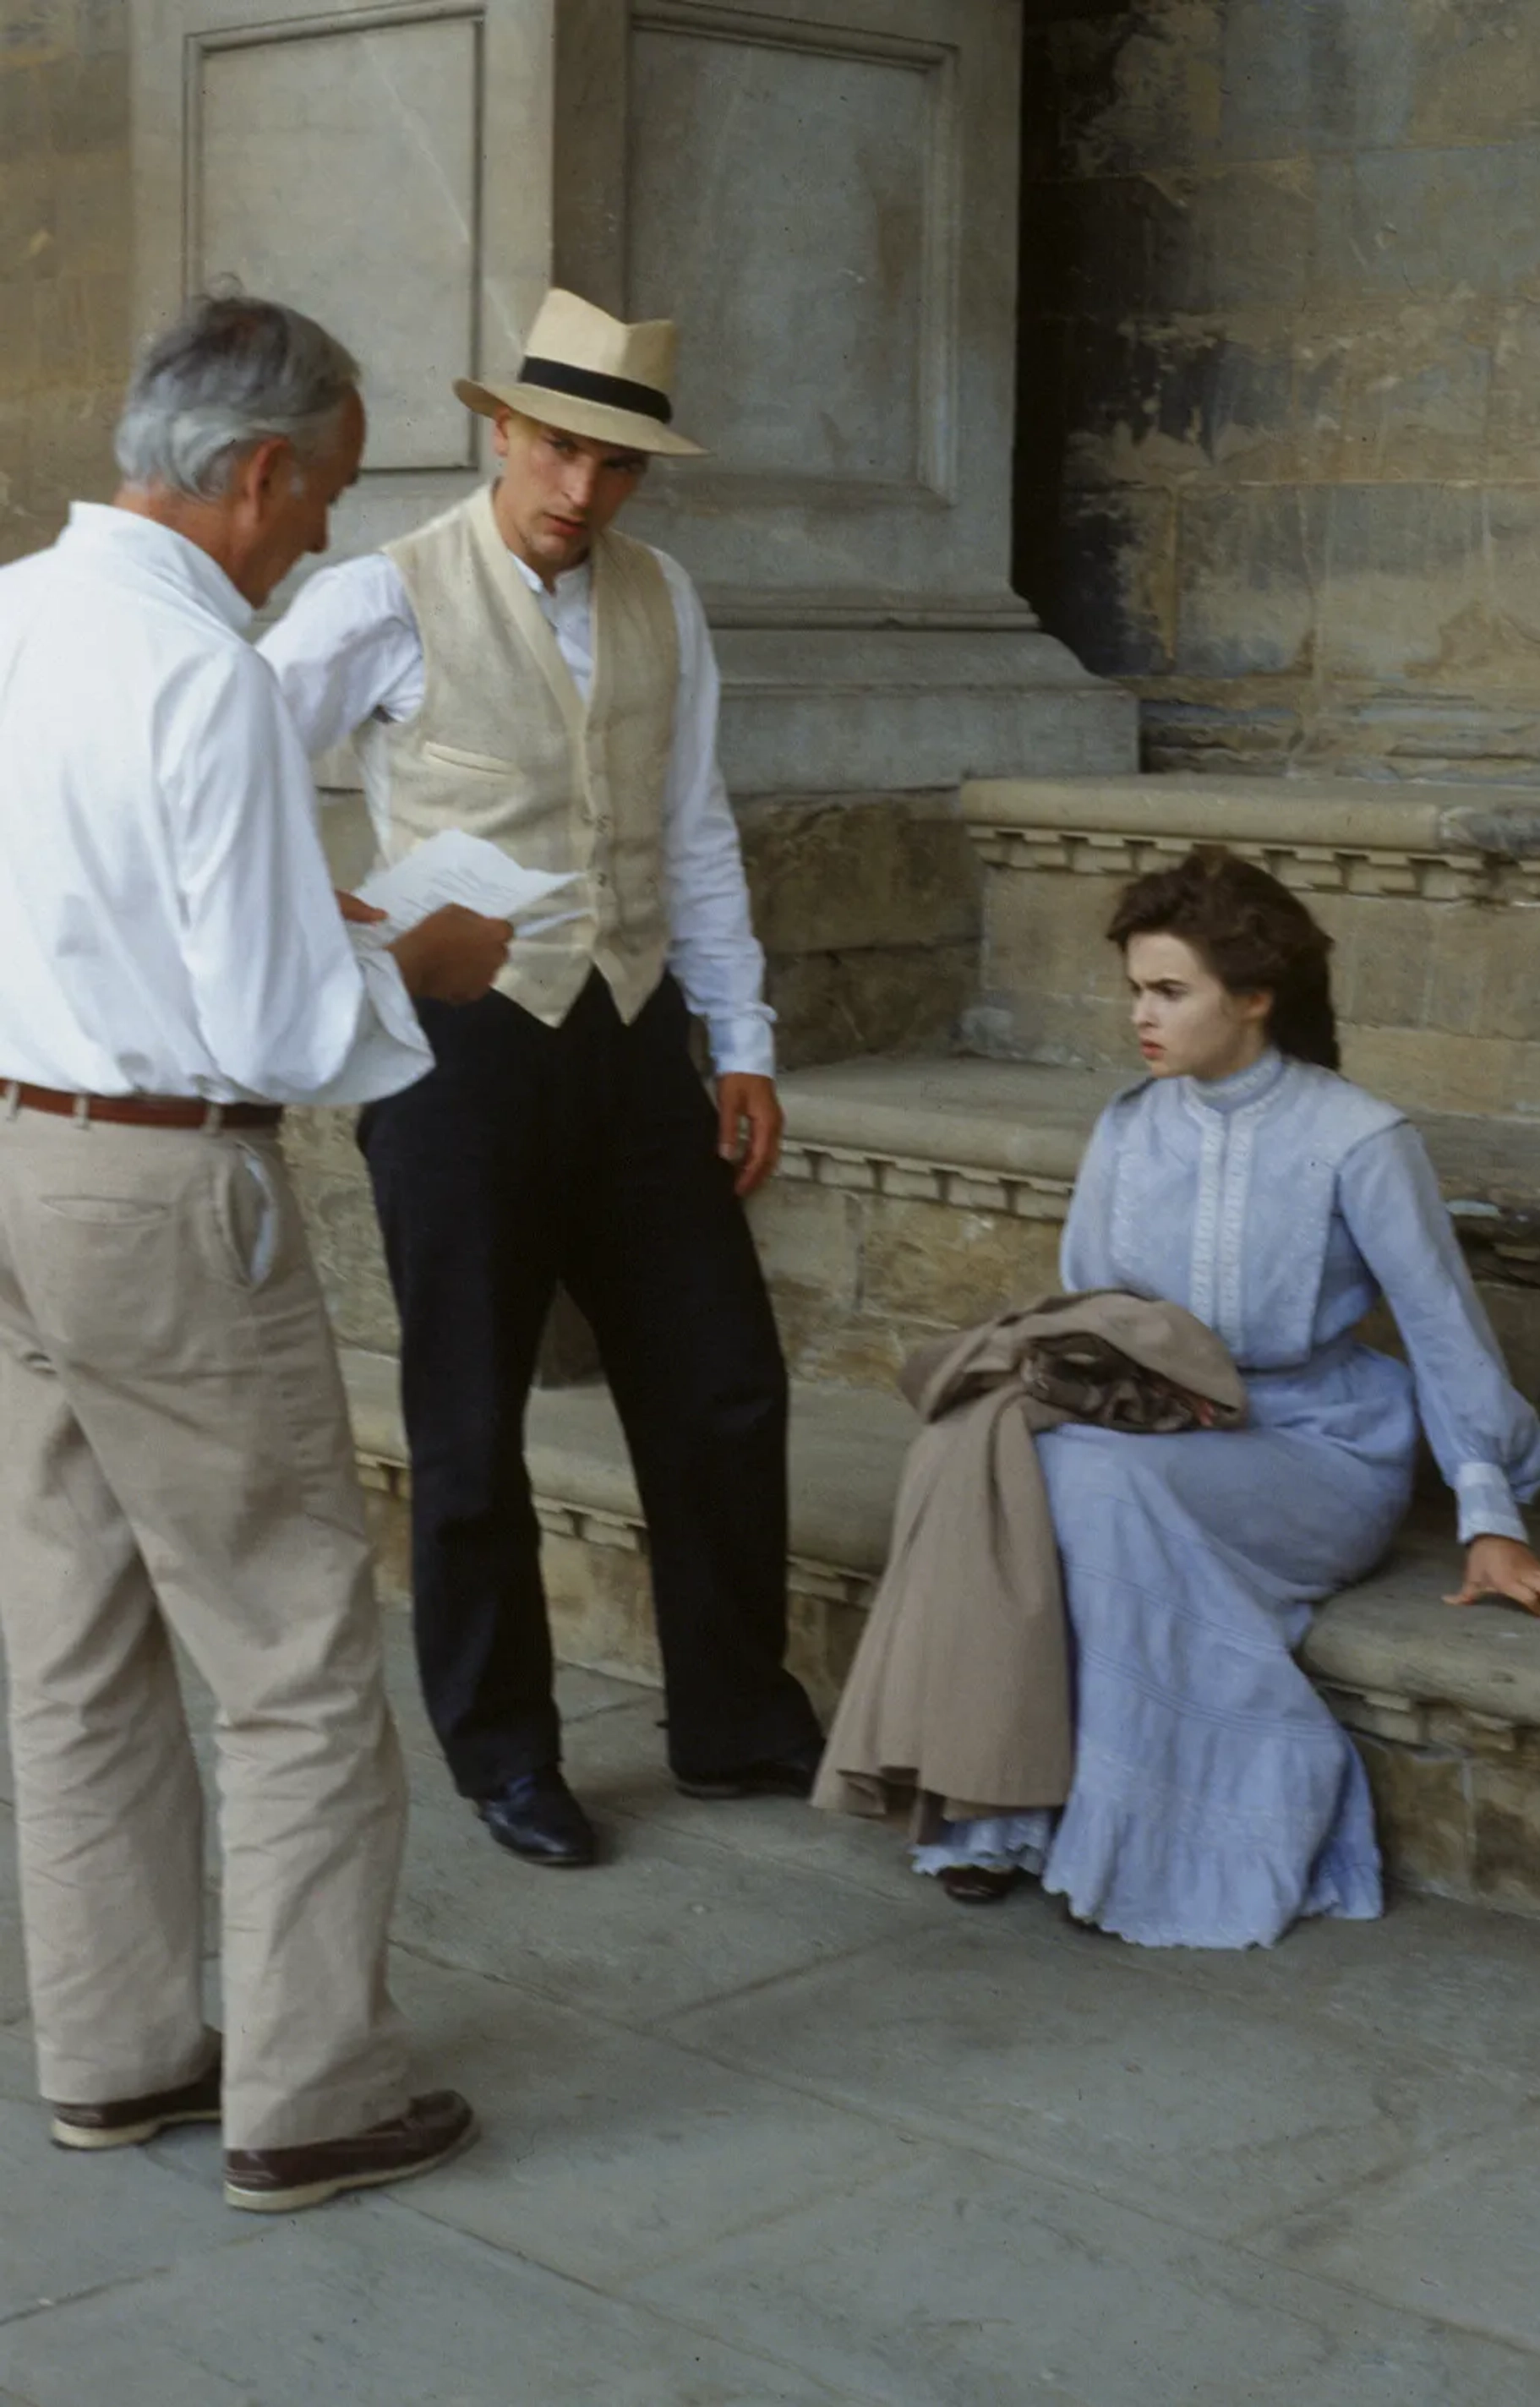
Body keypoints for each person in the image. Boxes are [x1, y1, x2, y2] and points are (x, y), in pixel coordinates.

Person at [0, 292, 515, 2208]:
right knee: (292, 1646)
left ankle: (118, 2051)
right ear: (259, 472)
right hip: (155, 1187)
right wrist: (424, 963)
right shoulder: (201, 673)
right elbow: (280, 1034)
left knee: (71, 1639)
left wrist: (313, 921)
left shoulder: (13, 617)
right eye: (328, 496)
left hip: (16, 1149)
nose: (325, 540)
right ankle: (309, 2094)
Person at [259, 287, 823, 1870]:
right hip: (461, 1057)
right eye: (560, 448)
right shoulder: (380, 596)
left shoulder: (666, 600)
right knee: (467, 1415)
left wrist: (746, 1039)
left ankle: (733, 1719)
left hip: (638, 1038)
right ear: (502, 429)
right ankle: (503, 1751)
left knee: (721, 1382)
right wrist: (349, 938)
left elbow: (696, 831)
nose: (582, 491)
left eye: (617, 465)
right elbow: (223, 775)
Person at [904, 846, 1540, 1947]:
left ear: (1255, 999)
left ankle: (1155, 1831)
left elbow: (1446, 1330)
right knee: (1020, 1466)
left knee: (1100, 1494)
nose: (1141, 1018)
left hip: (1317, 1444)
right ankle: (1002, 1807)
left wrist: (1489, 1516)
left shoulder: (1358, 1138)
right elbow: (1094, 1310)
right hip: (1162, 1427)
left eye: (1170, 992)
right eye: (1134, 991)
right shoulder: (1129, 1127)